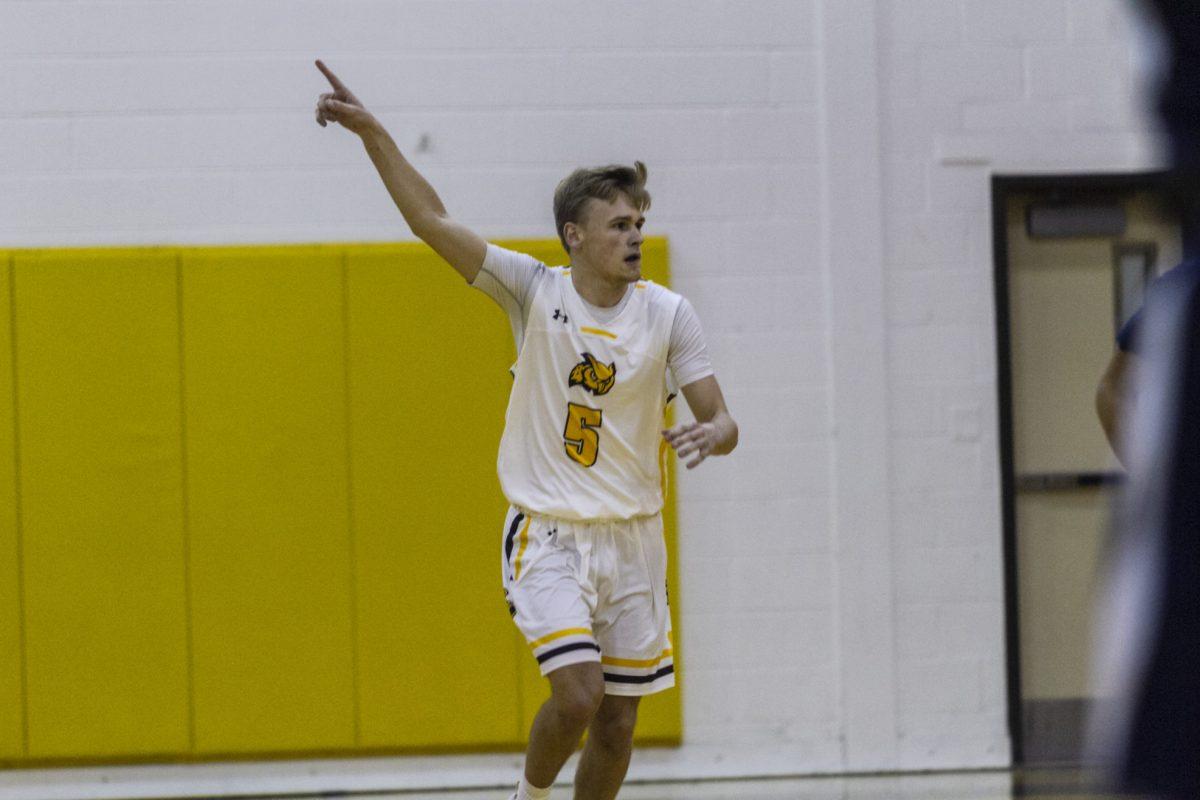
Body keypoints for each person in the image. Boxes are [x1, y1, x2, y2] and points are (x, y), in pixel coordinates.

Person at [313, 60, 738, 800]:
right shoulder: (534, 293)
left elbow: (720, 415)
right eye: (619, 224)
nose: (636, 235)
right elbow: (431, 220)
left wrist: (717, 432)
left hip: (634, 538)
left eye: (640, 223)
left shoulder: (669, 314)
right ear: (574, 235)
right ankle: (530, 797)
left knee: (616, 727)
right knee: (577, 696)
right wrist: (374, 133)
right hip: (549, 533)